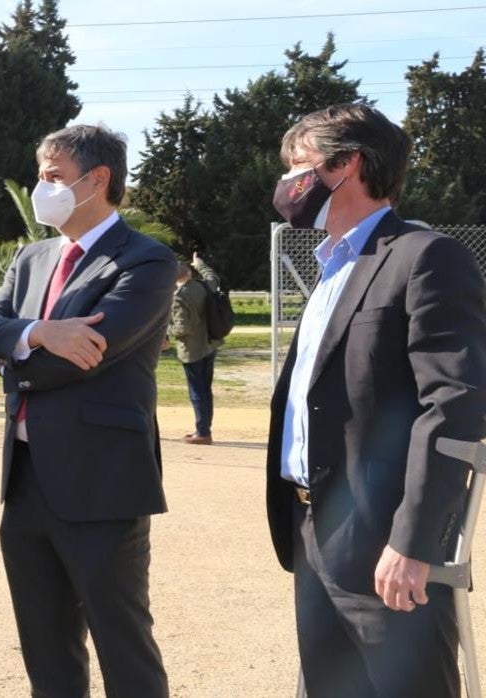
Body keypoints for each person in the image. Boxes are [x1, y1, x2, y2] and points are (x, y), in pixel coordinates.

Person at [267, 103, 486, 697]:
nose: (289, 185)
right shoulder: (332, 266)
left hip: (387, 544)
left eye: (301, 166)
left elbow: (454, 408)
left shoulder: (425, 257)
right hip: (313, 527)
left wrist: (412, 544)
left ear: (350, 165)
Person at [0, 124, 174, 697]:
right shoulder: (32, 257)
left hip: (104, 484)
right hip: (28, 483)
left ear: (98, 179)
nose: (42, 188)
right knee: (46, 647)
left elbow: (88, 356)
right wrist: (39, 333)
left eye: (53, 176)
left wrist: (17, 351)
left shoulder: (146, 261)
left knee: (124, 646)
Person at [168, 251, 223, 445]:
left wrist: (167, 331)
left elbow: (183, 328)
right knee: (205, 389)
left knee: (196, 391)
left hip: (192, 349)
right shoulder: (203, 286)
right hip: (210, 343)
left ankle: (203, 432)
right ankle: (203, 428)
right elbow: (213, 277)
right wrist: (199, 263)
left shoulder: (179, 296)